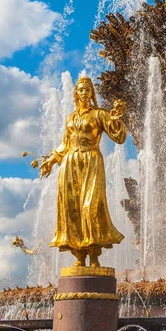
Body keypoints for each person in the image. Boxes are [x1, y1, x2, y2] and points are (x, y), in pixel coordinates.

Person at [40, 77, 127, 267]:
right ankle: (79, 255)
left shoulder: (99, 114)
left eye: (87, 90)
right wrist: (51, 160)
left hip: (92, 161)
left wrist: (115, 119)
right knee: (72, 209)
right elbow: (65, 144)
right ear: (75, 94)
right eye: (80, 90)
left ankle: (94, 254)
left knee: (91, 207)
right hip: (70, 164)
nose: (84, 93)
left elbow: (118, 137)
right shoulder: (70, 118)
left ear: (91, 93)